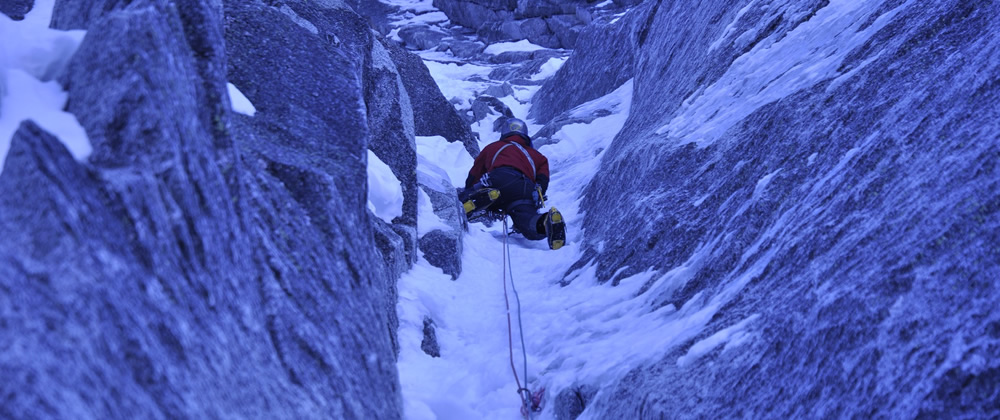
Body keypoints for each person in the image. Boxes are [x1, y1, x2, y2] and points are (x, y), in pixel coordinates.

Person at [462, 117, 566, 250]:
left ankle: (479, 199)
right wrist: (538, 193)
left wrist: (469, 189)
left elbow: (475, 173)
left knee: (478, 192)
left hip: (498, 179)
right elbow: (543, 178)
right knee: (527, 220)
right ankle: (546, 222)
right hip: (524, 188)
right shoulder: (537, 156)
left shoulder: (493, 147)